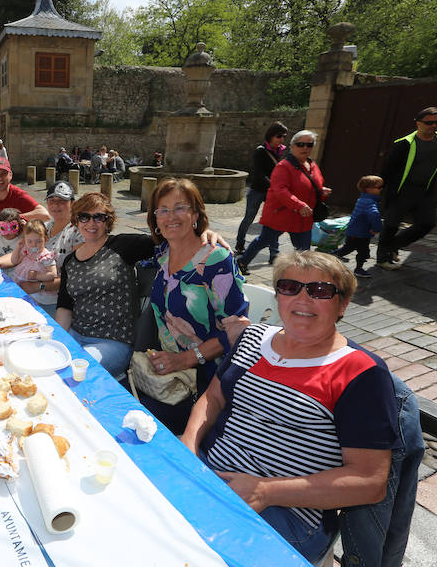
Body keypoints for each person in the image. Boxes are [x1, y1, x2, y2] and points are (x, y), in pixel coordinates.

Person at [180, 251, 398, 563]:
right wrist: (188, 443)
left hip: (286, 511)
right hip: (207, 469)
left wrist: (265, 491)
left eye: (320, 291)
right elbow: (213, 398)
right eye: (290, 287)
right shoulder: (253, 337)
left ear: (343, 304)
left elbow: (370, 482)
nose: (303, 299)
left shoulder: (361, 373)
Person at [136, 178, 249, 433]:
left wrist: (184, 359)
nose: (170, 216)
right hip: (167, 372)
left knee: (133, 423)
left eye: (180, 208)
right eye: (162, 210)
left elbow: (238, 331)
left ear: (195, 213)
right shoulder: (163, 253)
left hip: (206, 381)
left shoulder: (217, 260)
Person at [56, 193, 157, 377]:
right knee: (48, 360)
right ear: (76, 220)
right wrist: (56, 340)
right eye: (84, 217)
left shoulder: (123, 246)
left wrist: (201, 231)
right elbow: (65, 307)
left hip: (112, 341)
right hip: (75, 334)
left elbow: (168, 239)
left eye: (99, 217)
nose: (91, 223)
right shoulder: (70, 261)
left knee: (73, 372)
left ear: (108, 220)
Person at [376, 107, 437, 270]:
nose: (434, 126)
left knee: (427, 223)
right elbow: (388, 168)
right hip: (401, 191)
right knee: (392, 225)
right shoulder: (405, 143)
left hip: (425, 191)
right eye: (429, 122)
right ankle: (382, 258)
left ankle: (393, 246)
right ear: (418, 123)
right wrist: (378, 188)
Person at [237, 130, 331, 275]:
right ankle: (242, 262)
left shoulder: (312, 165)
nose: (305, 148)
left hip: (302, 217)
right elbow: (280, 191)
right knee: (264, 240)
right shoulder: (283, 167)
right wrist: (299, 204)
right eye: (300, 144)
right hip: (280, 214)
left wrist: (321, 191)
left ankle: (302, 276)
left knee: (304, 251)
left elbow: (314, 185)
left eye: (309, 145)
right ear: (292, 146)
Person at [0, 181, 83, 313]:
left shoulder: (78, 233)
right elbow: (22, 253)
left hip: (55, 300)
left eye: (62, 201)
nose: (55, 205)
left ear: (72, 203)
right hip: (30, 291)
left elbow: (75, 277)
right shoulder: (45, 227)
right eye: (51, 200)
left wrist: (39, 286)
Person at [235, 121, 288, 256]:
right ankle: (240, 244)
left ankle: (274, 253)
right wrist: (273, 186)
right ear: (271, 136)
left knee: (273, 221)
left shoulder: (280, 151)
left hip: (272, 191)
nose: (282, 139)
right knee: (249, 218)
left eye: (284, 136)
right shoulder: (260, 151)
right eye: (279, 136)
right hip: (258, 190)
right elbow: (259, 174)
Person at [334, 175, 384, 278]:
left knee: (361, 250)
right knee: (350, 249)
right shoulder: (369, 202)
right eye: (379, 187)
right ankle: (333, 256)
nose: (381, 189)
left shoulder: (364, 198)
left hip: (359, 231)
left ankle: (357, 266)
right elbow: (374, 215)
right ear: (369, 189)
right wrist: (377, 228)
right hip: (358, 233)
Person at [10, 220, 58, 306]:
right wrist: (18, 248)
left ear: (45, 240)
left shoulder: (46, 256)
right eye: (29, 241)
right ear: (24, 240)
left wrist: (37, 276)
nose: (34, 245)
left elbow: (53, 274)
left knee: (31, 305)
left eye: (38, 241)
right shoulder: (26, 250)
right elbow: (14, 261)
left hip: (37, 291)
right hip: (23, 283)